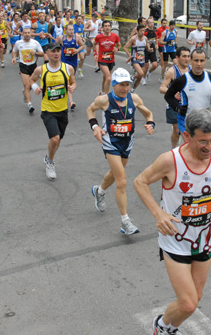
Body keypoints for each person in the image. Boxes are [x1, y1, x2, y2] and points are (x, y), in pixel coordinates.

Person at [133, 109, 211, 335]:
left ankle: (170, 328)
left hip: (205, 239)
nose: (209, 147)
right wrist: (158, 213)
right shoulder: (170, 161)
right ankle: (161, 326)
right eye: (203, 141)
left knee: (197, 296)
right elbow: (140, 182)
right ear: (186, 136)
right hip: (175, 240)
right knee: (189, 303)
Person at [86, 68, 154, 235]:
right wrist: (95, 127)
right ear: (114, 85)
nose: (125, 88)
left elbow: (148, 113)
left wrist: (151, 123)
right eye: (121, 85)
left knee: (114, 174)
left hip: (127, 142)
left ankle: (99, 191)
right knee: (122, 181)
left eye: (127, 85)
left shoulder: (134, 98)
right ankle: (125, 221)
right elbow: (90, 110)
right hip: (110, 142)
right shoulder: (104, 100)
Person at [28, 42, 76, 180]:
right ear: (47, 53)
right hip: (47, 109)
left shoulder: (68, 68)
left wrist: (72, 87)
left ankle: (48, 157)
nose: (56, 53)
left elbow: (73, 82)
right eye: (53, 51)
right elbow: (31, 80)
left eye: (58, 51)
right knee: (54, 138)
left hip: (63, 110)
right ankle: (50, 162)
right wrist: (35, 88)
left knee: (58, 139)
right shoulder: (41, 70)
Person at [165, 48, 211, 135]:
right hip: (186, 121)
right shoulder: (182, 80)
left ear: (205, 61)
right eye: (196, 60)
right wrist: (177, 108)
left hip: (204, 121)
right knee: (191, 147)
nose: (199, 64)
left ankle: (178, 148)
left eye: (201, 61)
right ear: (191, 61)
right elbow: (168, 96)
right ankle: (175, 147)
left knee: (203, 147)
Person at [160, 46, 192, 148]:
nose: (187, 59)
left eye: (188, 56)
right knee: (178, 129)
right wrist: (173, 93)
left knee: (189, 129)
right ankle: (175, 149)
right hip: (174, 104)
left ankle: (184, 149)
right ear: (177, 58)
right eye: (184, 56)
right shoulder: (172, 71)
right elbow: (162, 88)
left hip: (188, 104)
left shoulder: (191, 70)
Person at [12, 26, 45, 114]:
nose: (27, 34)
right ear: (22, 34)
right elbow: (14, 50)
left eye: (28, 33)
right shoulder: (18, 43)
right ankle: (30, 104)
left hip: (33, 66)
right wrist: (14, 58)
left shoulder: (35, 43)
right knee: (27, 85)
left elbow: (42, 53)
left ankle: (25, 93)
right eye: (25, 33)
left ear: (31, 34)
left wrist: (36, 53)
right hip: (23, 66)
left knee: (29, 86)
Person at [57, 23, 83, 110]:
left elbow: (82, 45)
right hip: (64, 62)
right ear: (65, 30)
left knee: (71, 82)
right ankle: (71, 101)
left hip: (73, 63)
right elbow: (56, 47)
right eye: (70, 29)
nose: (72, 31)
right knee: (67, 81)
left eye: (72, 29)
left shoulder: (77, 38)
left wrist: (77, 50)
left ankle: (66, 96)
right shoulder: (61, 38)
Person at [94, 20, 121, 95]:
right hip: (102, 59)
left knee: (105, 77)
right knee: (109, 78)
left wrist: (117, 49)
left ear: (111, 27)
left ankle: (102, 91)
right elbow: (94, 44)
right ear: (102, 28)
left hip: (111, 60)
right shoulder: (99, 37)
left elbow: (119, 45)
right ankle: (106, 95)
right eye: (105, 26)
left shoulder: (115, 36)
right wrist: (95, 54)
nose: (107, 27)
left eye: (108, 26)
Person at [124, 24, 151, 92]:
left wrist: (150, 49)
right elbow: (125, 47)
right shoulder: (134, 38)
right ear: (137, 31)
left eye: (143, 31)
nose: (142, 32)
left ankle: (133, 89)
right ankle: (132, 77)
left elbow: (147, 47)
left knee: (140, 76)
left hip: (142, 59)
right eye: (141, 31)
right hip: (135, 58)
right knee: (141, 73)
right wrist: (130, 56)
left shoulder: (145, 38)